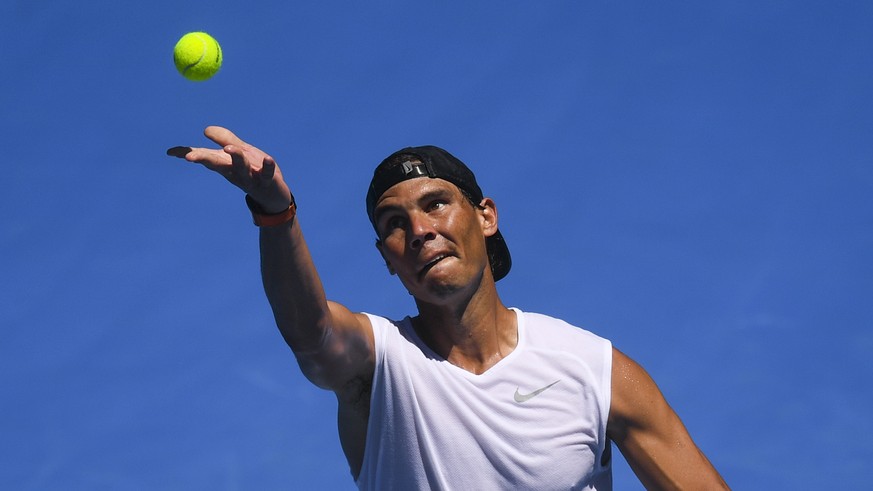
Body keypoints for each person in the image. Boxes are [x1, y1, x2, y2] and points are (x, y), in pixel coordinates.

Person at [168, 127, 729, 490]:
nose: (419, 231)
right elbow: (312, 334)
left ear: (485, 216)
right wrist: (275, 212)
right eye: (394, 225)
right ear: (386, 258)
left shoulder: (596, 372)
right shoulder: (376, 364)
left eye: (436, 204)